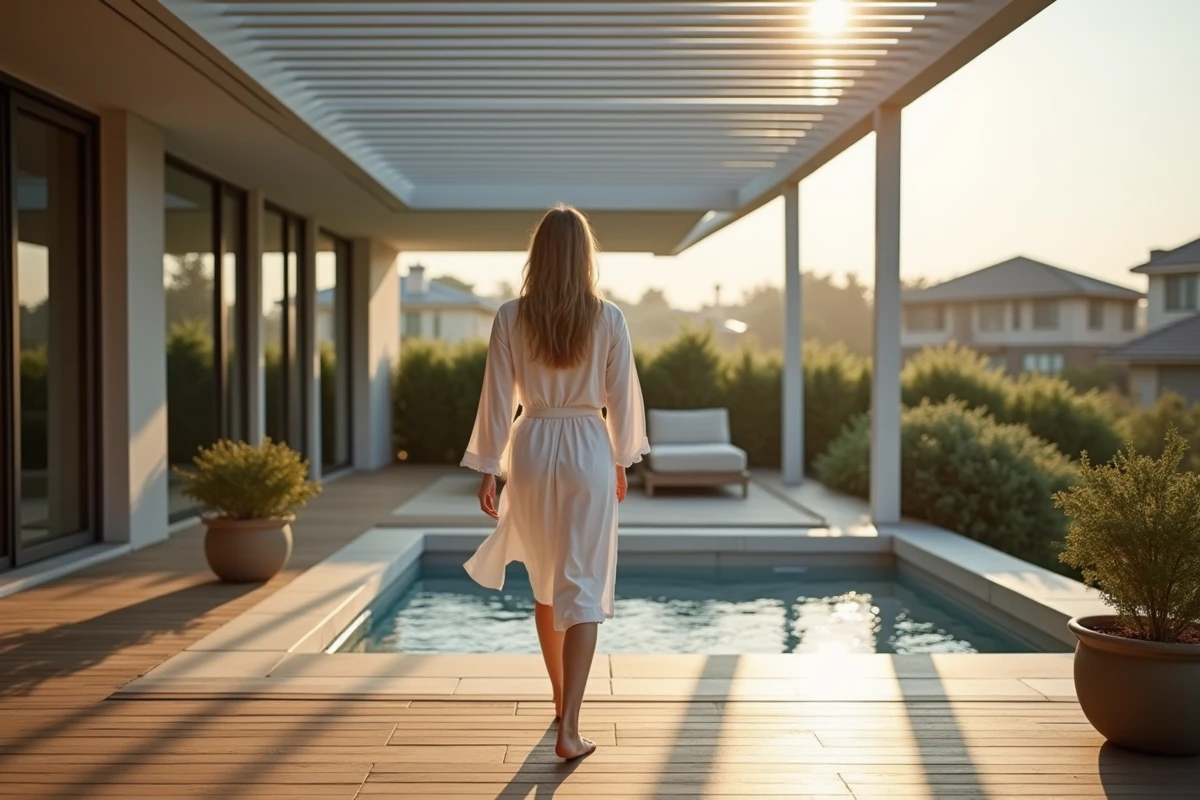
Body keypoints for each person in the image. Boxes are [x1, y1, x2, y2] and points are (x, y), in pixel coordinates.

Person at [460, 204, 649, 760]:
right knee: (583, 585)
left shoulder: (510, 316)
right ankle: (571, 727)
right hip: (589, 446)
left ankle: (560, 702)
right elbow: (622, 397)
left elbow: (496, 399)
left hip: (534, 445)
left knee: (547, 582)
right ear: (585, 257)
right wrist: (618, 459)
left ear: (537, 256)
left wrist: (492, 466)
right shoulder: (608, 317)